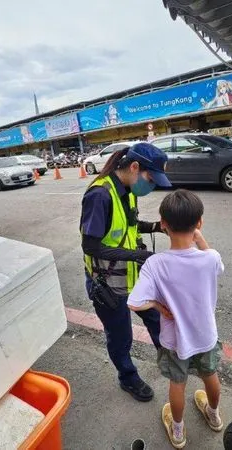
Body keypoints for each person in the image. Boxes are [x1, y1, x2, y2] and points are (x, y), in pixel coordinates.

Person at [127, 190, 224, 449]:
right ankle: (213, 415)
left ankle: (178, 431)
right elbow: (217, 263)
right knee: (210, 375)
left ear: (164, 223)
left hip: (175, 341)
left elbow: (134, 302)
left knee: (177, 385)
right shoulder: (210, 258)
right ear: (199, 223)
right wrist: (200, 240)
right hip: (205, 336)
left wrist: (159, 306)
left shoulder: (156, 264)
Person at [80, 142, 172, 402]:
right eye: (150, 178)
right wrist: (139, 255)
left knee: (156, 318)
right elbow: (91, 246)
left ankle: (169, 360)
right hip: (108, 283)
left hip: (133, 275)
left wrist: (156, 227)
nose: (151, 185)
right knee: (121, 337)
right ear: (134, 167)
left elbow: (129, 225)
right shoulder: (99, 195)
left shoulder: (129, 190)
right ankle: (128, 377)